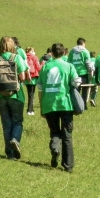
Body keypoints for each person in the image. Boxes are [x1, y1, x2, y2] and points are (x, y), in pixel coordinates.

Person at [37, 43, 80, 172]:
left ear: (52, 53)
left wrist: (41, 106)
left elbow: (40, 88)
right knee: (67, 135)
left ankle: (55, 147)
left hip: (49, 104)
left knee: (55, 131)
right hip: (65, 103)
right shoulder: (68, 66)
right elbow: (77, 82)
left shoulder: (45, 68)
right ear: (63, 53)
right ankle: (68, 165)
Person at [0, 36, 29, 160]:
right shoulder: (17, 58)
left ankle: (9, 154)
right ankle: (15, 140)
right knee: (17, 121)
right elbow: (22, 77)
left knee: (6, 124)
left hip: (0, 96)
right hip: (16, 95)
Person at [68, 38, 93, 109]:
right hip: (83, 73)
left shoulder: (71, 52)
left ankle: (76, 105)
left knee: (76, 90)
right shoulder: (85, 52)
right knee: (84, 89)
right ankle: (84, 105)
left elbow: (69, 63)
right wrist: (90, 72)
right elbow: (88, 63)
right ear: (83, 43)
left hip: (74, 73)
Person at [25, 47, 41, 115]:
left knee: (29, 93)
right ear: (31, 51)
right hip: (33, 77)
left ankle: (31, 109)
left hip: (26, 77)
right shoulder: (34, 57)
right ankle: (30, 110)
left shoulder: (24, 57)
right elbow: (38, 67)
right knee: (31, 94)